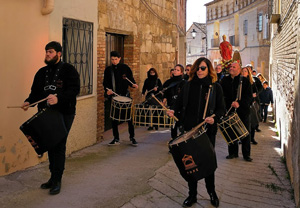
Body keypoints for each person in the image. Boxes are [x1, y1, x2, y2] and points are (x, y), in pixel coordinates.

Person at [21, 41, 80, 195]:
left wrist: (58, 98)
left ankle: (57, 180)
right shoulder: (41, 72)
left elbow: (74, 90)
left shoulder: (69, 70)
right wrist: (29, 102)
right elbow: (35, 92)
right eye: (46, 51)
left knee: (59, 144)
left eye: (51, 52)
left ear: (59, 54)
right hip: (46, 113)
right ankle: (53, 178)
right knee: (50, 144)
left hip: (64, 113)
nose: (47, 54)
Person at [168, 57, 225, 207]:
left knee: (208, 163)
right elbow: (178, 104)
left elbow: (221, 109)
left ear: (209, 70)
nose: (199, 71)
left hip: (207, 132)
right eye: (197, 68)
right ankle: (192, 195)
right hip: (189, 130)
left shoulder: (215, 87)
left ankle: (211, 193)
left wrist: (214, 118)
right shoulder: (187, 86)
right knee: (190, 164)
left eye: (203, 68)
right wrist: (173, 110)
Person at [103, 51, 138, 146]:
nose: (114, 61)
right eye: (112, 59)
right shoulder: (108, 70)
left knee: (129, 118)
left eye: (115, 59)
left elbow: (130, 79)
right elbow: (105, 83)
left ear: (119, 59)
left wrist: (133, 84)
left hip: (125, 96)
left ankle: (132, 137)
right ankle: (116, 138)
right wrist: (107, 90)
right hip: (114, 96)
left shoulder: (125, 68)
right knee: (114, 118)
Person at [220, 62, 253, 162]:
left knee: (245, 133)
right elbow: (221, 95)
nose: (231, 68)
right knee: (231, 132)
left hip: (242, 111)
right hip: (229, 111)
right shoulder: (224, 80)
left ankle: (246, 154)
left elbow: (249, 97)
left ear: (239, 70)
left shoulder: (245, 81)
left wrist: (240, 103)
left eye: (234, 67)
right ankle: (232, 153)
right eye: (231, 67)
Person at [162, 64, 186, 139]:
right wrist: (164, 101)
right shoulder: (169, 82)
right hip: (172, 105)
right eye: (175, 69)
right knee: (173, 125)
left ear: (181, 73)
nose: (175, 71)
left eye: (178, 70)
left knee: (181, 124)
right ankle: (174, 141)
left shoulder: (184, 83)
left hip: (181, 107)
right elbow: (166, 93)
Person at [241, 67, 259, 145]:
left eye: (245, 71)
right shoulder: (239, 81)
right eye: (242, 71)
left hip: (250, 104)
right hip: (242, 105)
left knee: (252, 123)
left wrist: (253, 95)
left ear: (248, 73)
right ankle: (241, 139)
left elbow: (256, 92)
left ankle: (252, 138)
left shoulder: (252, 82)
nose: (244, 72)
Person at [246, 64, 263, 132]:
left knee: (255, 115)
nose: (248, 70)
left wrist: (256, 94)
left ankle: (256, 127)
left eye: (249, 69)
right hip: (247, 101)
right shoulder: (242, 79)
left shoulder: (255, 79)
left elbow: (260, 88)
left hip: (255, 100)